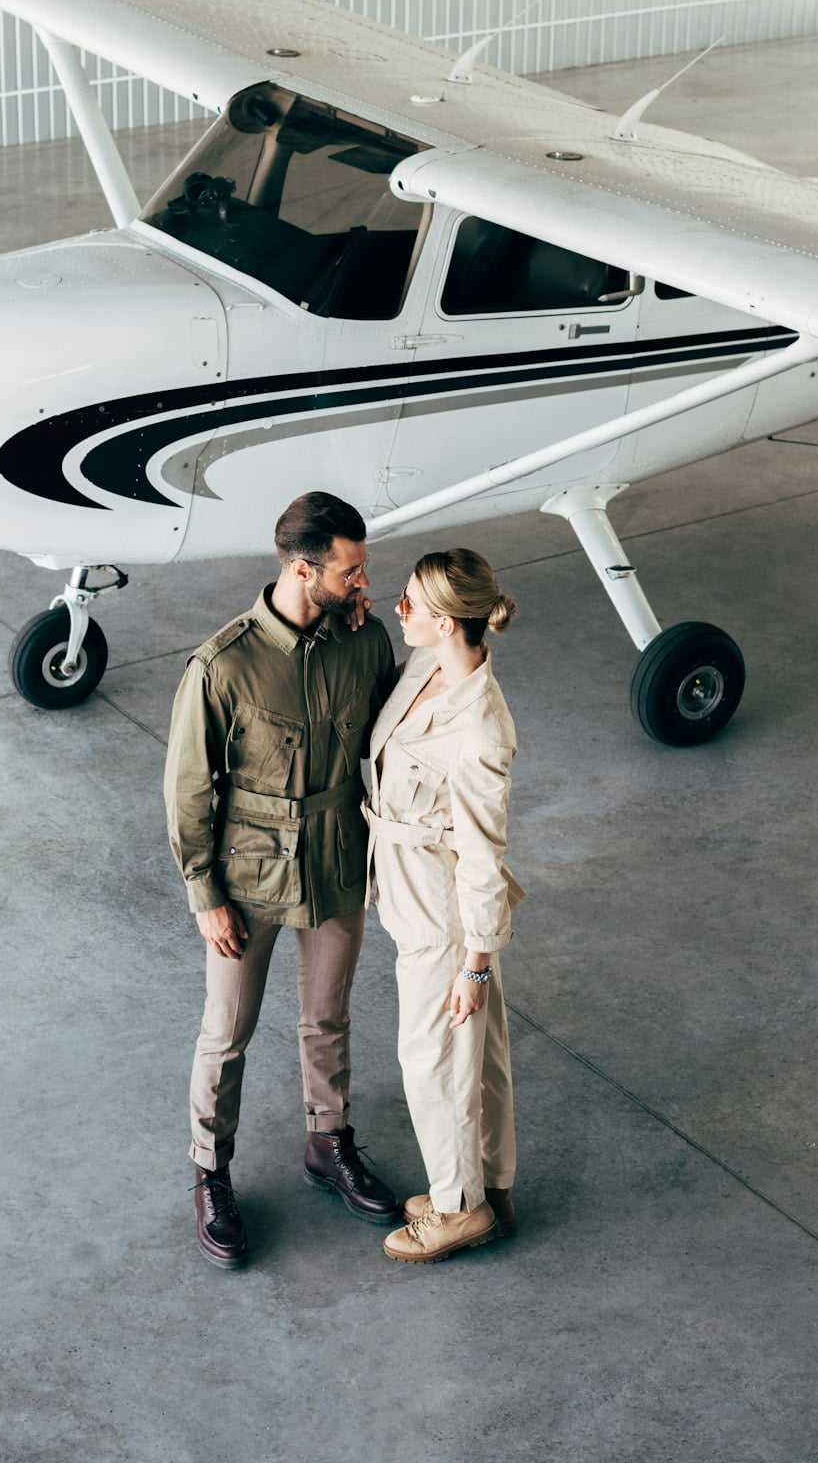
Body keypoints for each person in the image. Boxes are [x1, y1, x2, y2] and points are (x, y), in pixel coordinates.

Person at [165, 489, 402, 1269]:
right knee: (226, 1032)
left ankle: (326, 1143)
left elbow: (394, 732)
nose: (362, 582)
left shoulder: (362, 644)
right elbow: (189, 789)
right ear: (306, 570)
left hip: (335, 858)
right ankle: (210, 1173)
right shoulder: (223, 664)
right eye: (351, 570)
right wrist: (205, 894)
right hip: (249, 873)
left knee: (326, 1017)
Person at [364, 546, 522, 1265]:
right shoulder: (423, 669)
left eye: (413, 606)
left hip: (443, 911)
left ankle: (459, 1209)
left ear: (451, 622)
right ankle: (487, 1183)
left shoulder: (480, 729)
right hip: (409, 884)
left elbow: (484, 853)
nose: (399, 612)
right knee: (475, 1055)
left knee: (434, 1060)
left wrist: (476, 965)